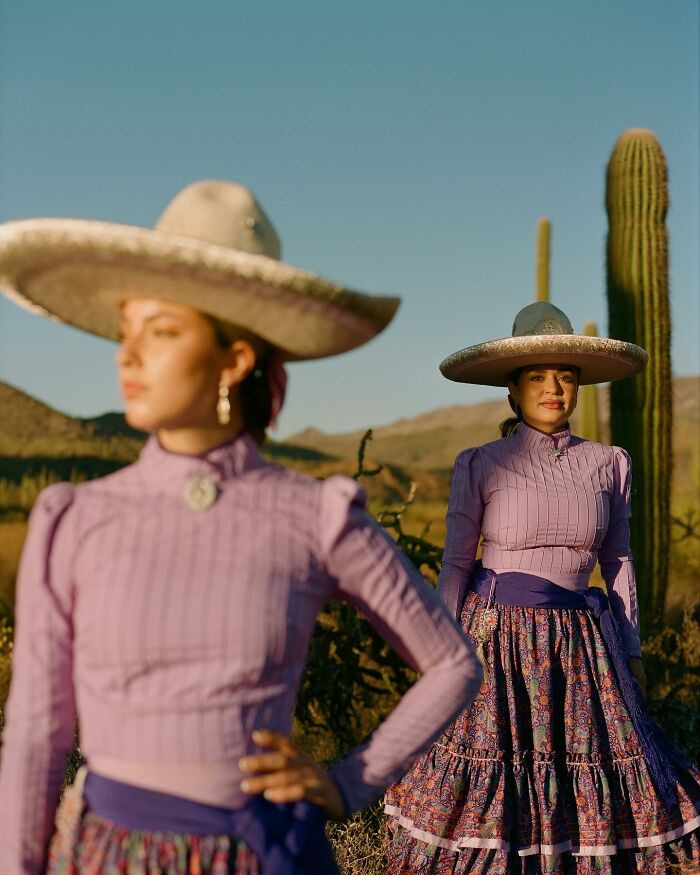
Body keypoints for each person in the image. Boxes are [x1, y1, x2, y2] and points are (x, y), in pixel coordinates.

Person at [0, 180, 483, 875]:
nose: (126, 354)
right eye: (126, 328)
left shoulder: (314, 515)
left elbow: (453, 662)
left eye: (160, 331)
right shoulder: (74, 518)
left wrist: (350, 782)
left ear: (235, 357)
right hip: (107, 853)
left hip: (258, 854)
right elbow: (36, 738)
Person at [385, 302, 700, 874]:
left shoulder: (609, 463)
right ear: (512, 390)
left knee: (581, 761)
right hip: (496, 638)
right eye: (537, 376)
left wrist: (631, 650)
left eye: (566, 376)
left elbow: (620, 562)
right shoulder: (480, 462)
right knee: (500, 764)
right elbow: (456, 563)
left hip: (582, 643)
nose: (554, 387)